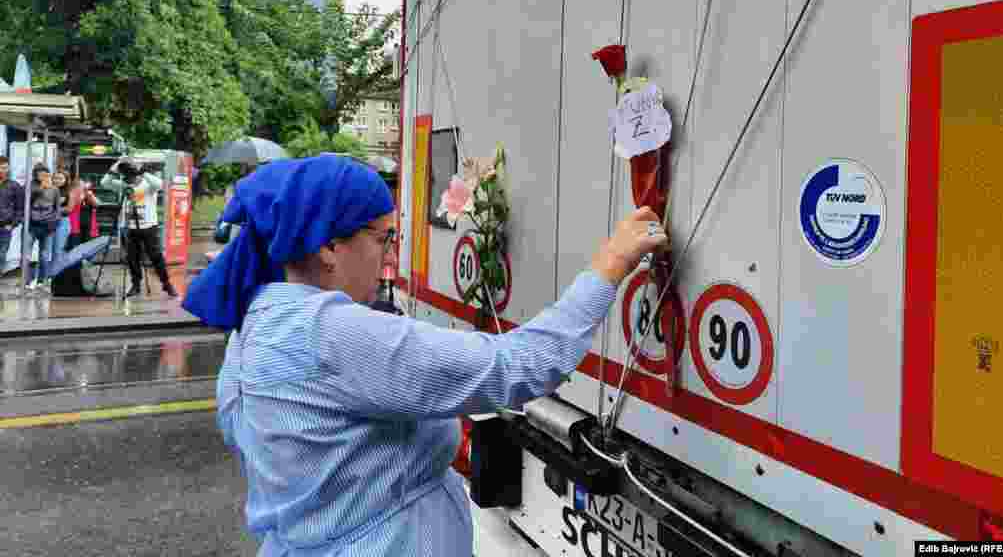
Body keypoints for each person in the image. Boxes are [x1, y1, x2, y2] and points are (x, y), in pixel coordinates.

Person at [184, 154, 667, 556]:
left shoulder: (257, 324)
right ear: (328, 245)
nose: (390, 257)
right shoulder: (331, 332)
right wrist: (612, 262)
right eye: (382, 238)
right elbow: (523, 365)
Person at [101, 157, 178, 299]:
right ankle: (135, 284)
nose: (128, 179)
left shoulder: (148, 185)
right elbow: (104, 182)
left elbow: (159, 184)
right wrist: (117, 165)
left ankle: (166, 284)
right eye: (126, 176)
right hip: (129, 227)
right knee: (132, 258)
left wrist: (141, 170)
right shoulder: (123, 185)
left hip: (148, 227)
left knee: (156, 256)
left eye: (131, 176)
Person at [50, 173, 103, 297]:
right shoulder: (72, 193)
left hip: (88, 229)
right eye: (81, 185)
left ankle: (84, 282)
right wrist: (77, 194)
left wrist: (89, 194)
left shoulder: (88, 195)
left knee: (87, 256)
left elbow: (97, 204)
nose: (83, 187)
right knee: (73, 255)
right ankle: (71, 284)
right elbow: (70, 208)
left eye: (84, 185)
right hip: (74, 228)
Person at [27, 164, 61, 290]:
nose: (43, 176)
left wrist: (54, 223)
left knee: (44, 255)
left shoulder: (54, 189)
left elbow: (57, 208)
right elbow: (27, 201)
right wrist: (41, 189)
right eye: (40, 174)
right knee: (27, 254)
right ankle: (28, 280)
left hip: (47, 225)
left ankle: (42, 280)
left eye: (45, 174)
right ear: (35, 175)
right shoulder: (30, 186)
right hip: (32, 225)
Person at [0, 156, 25, 275]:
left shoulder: (14, 186)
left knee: (1, 253)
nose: (2, 170)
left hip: (5, 226)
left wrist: (13, 224)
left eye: (5, 168)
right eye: (1, 167)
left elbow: (20, 208)